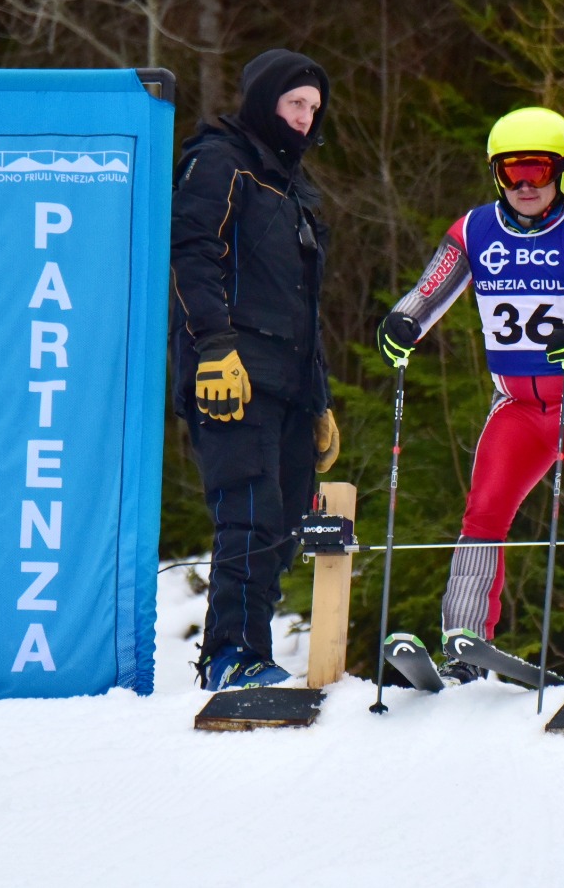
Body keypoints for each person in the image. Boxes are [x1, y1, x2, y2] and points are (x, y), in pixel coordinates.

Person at [375, 106, 564, 683]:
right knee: (483, 511)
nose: (526, 184)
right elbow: (429, 289)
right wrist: (402, 323)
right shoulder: (475, 229)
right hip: (514, 401)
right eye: (512, 172)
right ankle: (465, 645)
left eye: (538, 169)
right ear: (497, 174)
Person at [170, 48, 341, 691]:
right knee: (249, 506)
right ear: (265, 99)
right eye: (295, 103)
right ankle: (230, 654)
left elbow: (302, 300)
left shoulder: (290, 185)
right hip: (230, 365)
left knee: (287, 515)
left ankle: (253, 650)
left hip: (288, 379)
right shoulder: (220, 160)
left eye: (313, 109)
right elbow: (192, 251)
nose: (304, 119)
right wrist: (213, 346)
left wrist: (318, 397)